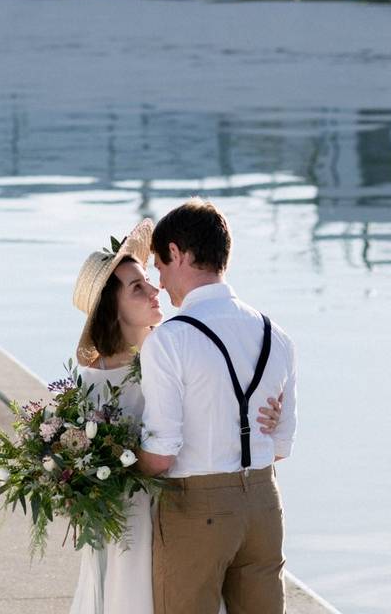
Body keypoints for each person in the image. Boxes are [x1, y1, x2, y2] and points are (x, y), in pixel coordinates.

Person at [68, 219, 285, 614]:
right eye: (137, 287)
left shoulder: (171, 346)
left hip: (189, 513)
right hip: (134, 526)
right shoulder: (95, 384)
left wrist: (261, 416)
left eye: (150, 278)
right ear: (110, 308)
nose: (155, 289)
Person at [137, 198, 297, 614]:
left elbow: (161, 452)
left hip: (197, 509)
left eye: (159, 264)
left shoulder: (170, 339)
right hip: (264, 503)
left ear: (176, 253)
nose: (159, 279)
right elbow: (281, 446)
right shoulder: (275, 334)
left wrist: (106, 469)